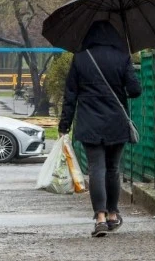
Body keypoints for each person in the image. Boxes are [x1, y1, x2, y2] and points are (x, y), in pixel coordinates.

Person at [58, 19, 142, 237]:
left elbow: (70, 95)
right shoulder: (122, 57)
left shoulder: (81, 59)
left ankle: (101, 218)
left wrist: (64, 125)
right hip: (116, 121)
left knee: (96, 168)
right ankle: (113, 214)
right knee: (113, 169)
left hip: (89, 121)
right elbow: (135, 91)